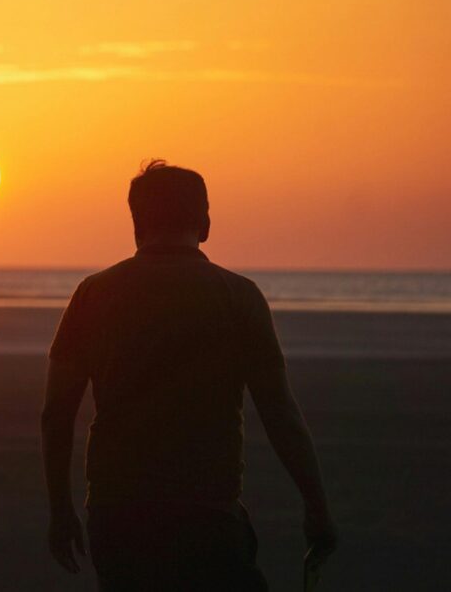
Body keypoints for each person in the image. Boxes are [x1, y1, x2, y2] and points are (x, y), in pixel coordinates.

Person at [41, 160, 337, 590]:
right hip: (207, 513)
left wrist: (60, 509)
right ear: (205, 223)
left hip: (118, 512)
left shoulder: (94, 294)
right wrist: (317, 506)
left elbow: (55, 414)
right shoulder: (239, 297)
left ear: (137, 223)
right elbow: (279, 413)